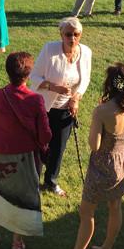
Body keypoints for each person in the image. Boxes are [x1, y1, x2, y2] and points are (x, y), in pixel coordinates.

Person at [54, 62, 124, 249]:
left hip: (103, 164)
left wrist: (95, 119)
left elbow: (95, 145)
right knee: (115, 206)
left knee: (87, 212)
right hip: (123, 160)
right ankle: (107, 248)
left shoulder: (102, 111)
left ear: (110, 84)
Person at [0, 52, 52, 249]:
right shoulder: (36, 101)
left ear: (7, 72)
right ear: (28, 75)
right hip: (25, 158)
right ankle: (17, 241)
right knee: (21, 196)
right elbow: (45, 136)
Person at [28, 17, 92, 196]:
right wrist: (53, 87)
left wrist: (76, 98)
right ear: (61, 34)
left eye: (76, 35)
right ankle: (32, 181)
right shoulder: (50, 49)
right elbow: (34, 77)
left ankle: (51, 181)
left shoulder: (86, 52)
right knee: (40, 146)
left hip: (67, 109)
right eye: (68, 34)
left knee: (59, 147)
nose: (72, 39)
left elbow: (85, 79)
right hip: (45, 108)